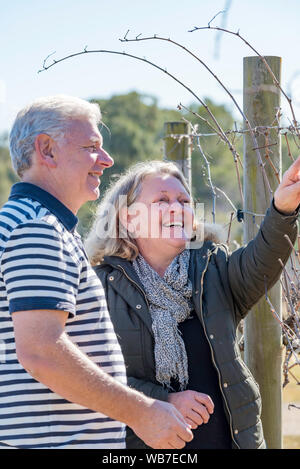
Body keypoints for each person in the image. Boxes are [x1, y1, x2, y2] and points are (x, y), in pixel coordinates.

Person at [0, 96, 194, 449]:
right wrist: (141, 412)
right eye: (92, 147)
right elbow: (41, 350)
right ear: (47, 149)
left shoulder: (31, 224)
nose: (107, 161)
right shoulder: (37, 229)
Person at [85, 159, 300, 449]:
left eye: (184, 200)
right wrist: (164, 401)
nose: (177, 207)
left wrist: (282, 209)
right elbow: (86, 379)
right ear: (128, 218)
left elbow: (261, 262)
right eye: (162, 200)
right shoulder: (99, 287)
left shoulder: (214, 268)